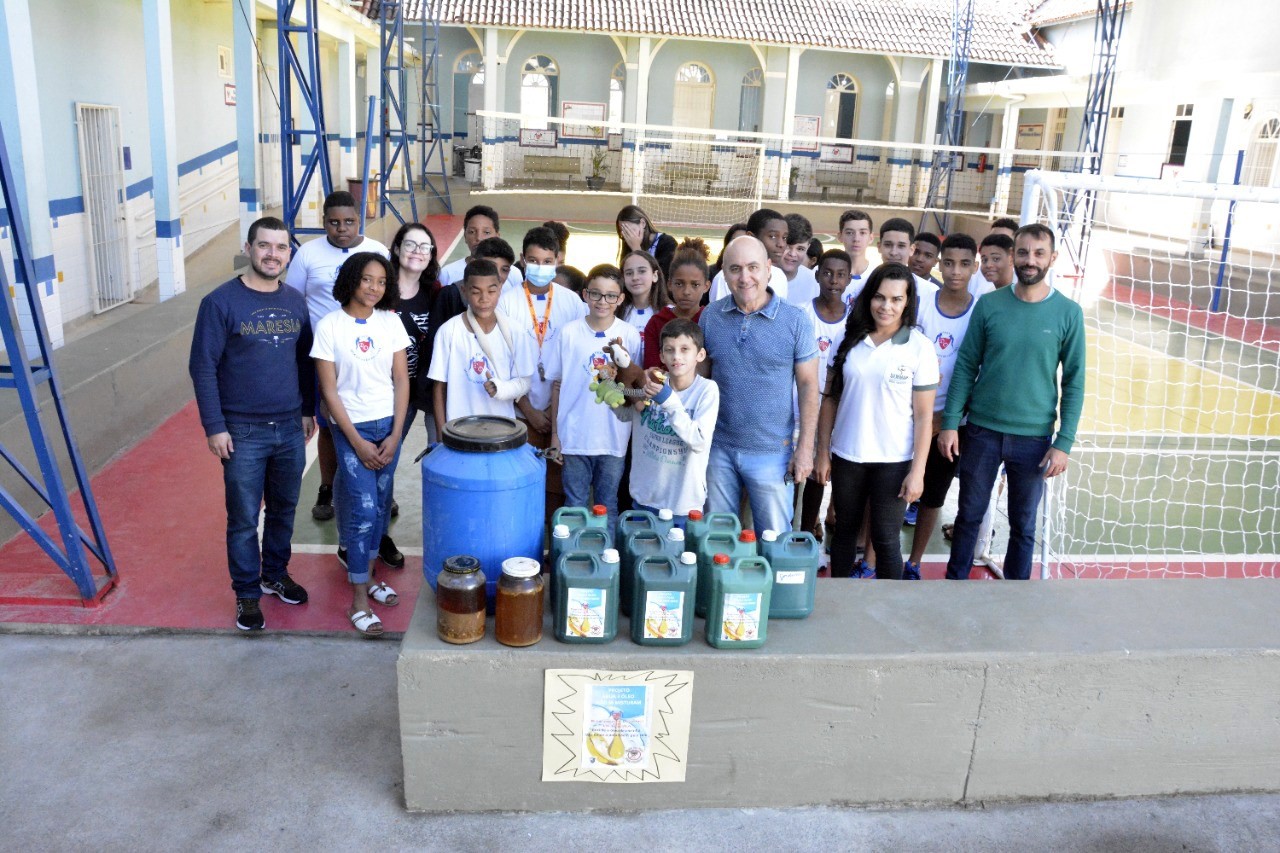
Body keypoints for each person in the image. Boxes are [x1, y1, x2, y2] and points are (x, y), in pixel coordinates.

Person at [939, 224, 1087, 581]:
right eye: (1023, 253)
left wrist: (1063, 442)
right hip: (982, 432)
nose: (1030, 260)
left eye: (1038, 253)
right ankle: (952, 587)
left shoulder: (1068, 313)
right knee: (968, 515)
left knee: (1023, 525)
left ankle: (1017, 597)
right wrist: (949, 423)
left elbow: (1075, 382)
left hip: (1034, 439)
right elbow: (965, 367)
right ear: (1013, 256)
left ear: (1052, 258)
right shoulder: (990, 306)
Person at [189, 216, 315, 632]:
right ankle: (246, 594)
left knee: (284, 509)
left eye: (281, 248)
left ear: (289, 254)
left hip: (289, 428)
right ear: (249, 248)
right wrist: (214, 426)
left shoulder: (296, 302)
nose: (272, 254)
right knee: (244, 518)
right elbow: (202, 367)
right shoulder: (220, 303)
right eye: (264, 246)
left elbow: (304, 361)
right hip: (241, 431)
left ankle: (274, 574)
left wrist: (307, 410)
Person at [814, 263, 938, 579]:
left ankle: (888, 614)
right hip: (848, 456)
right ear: (869, 298)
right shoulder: (848, 338)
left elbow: (924, 418)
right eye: (880, 297)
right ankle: (840, 605)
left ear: (908, 302)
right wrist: (822, 452)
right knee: (843, 532)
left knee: (885, 540)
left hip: (894, 462)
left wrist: (918, 472)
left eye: (896, 299)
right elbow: (830, 399)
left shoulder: (920, 348)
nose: (887, 306)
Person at [311, 253, 410, 637]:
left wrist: (396, 432)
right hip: (351, 432)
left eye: (382, 281)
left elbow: (401, 380)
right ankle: (358, 601)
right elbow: (330, 391)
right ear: (352, 280)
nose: (374, 288)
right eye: (367, 279)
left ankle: (368, 579)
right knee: (361, 512)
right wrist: (355, 441)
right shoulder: (330, 326)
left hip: (388, 428)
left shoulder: (390, 323)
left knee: (381, 511)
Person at [699, 235, 820, 537]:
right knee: (719, 538)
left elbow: (808, 386)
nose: (745, 277)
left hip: (772, 453)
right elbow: (700, 382)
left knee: (775, 541)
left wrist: (804, 448)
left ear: (768, 269)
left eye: (753, 267)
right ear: (724, 274)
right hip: (718, 450)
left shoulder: (795, 321)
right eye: (735, 268)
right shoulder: (711, 317)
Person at [284, 191, 388, 525]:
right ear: (324, 221)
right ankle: (327, 488)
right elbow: (294, 301)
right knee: (330, 425)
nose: (341, 228)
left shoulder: (377, 251)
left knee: (375, 423)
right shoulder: (308, 255)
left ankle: (378, 486)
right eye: (333, 222)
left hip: (368, 355)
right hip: (325, 357)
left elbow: (387, 303)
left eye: (349, 221)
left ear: (360, 219)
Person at [904, 234, 980, 581]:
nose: (955, 271)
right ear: (939, 263)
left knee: (933, 496)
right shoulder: (919, 303)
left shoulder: (980, 311)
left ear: (974, 267)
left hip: (951, 423)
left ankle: (914, 562)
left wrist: (944, 420)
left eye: (964, 264)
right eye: (948, 262)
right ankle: (875, 555)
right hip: (906, 414)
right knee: (890, 491)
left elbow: (977, 370)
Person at [498, 228, 587, 518]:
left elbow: (576, 360)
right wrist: (528, 409)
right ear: (522, 260)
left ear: (558, 260)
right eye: (534, 260)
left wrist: (553, 409)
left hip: (560, 413)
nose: (540, 267)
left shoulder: (572, 302)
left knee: (555, 490)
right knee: (519, 486)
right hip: (521, 412)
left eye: (547, 261)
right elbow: (501, 364)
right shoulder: (506, 302)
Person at [548, 265, 640, 529]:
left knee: (606, 504)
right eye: (596, 294)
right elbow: (557, 384)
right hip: (575, 437)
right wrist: (556, 435)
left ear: (621, 298)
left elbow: (631, 384)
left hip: (613, 439)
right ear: (585, 295)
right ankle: (574, 560)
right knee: (575, 503)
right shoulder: (569, 333)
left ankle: (607, 560)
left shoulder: (629, 335)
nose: (603, 301)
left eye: (611, 296)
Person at [612, 319, 720, 526]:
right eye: (669, 350)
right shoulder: (650, 383)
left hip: (683, 505)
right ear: (661, 355)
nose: (676, 356)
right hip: (645, 499)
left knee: (680, 558)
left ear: (700, 355)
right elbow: (626, 417)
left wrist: (669, 401)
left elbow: (699, 441)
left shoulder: (707, 390)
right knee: (642, 557)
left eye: (684, 349)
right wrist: (614, 395)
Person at [428, 260, 537, 432]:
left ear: (500, 289)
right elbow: (439, 387)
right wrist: (443, 436)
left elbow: (524, 382)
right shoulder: (449, 331)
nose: (484, 299)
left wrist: (501, 389)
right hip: (460, 431)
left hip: (502, 431)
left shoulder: (515, 331)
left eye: (491, 291)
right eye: (476, 291)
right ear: (464, 291)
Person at [796, 249, 852, 539]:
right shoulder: (801, 314)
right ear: (817, 275)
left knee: (822, 471)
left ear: (849, 279)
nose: (833, 280)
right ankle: (796, 527)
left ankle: (810, 526)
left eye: (841, 274)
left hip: (838, 410)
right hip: (801, 408)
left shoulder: (856, 321)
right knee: (798, 470)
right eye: (828, 273)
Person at [389, 222, 441, 443]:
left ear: (430, 255)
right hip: (378, 389)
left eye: (424, 247)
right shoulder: (379, 288)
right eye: (410, 244)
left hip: (410, 392)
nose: (417, 251)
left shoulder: (434, 292)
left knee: (389, 453)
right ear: (397, 249)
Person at [643, 238, 711, 370]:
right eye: (679, 284)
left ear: (706, 286)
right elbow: (652, 370)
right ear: (669, 284)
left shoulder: (711, 320)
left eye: (695, 285)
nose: (686, 292)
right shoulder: (657, 323)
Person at [709, 209, 791, 302]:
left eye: (784, 238)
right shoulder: (724, 279)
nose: (781, 244)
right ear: (751, 236)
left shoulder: (780, 276)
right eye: (772, 236)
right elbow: (718, 314)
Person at [438, 205, 523, 291]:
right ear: (465, 236)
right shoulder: (447, 273)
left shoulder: (514, 274)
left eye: (486, 232)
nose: (479, 238)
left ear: (497, 237)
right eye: (472, 232)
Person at [876, 217, 939, 306]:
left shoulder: (930, 291)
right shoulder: (865, 283)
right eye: (888, 245)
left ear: (911, 249)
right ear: (879, 247)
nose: (894, 252)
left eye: (901, 246)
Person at [620, 250, 667, 364]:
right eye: (629, 273)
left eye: (642, 271)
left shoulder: (668, 312)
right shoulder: (617, 312)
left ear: (655, 276)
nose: (635, 277)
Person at [616, 204, 676, 276]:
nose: (628, 236)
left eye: (631, 231)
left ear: (643, 223)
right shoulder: (628, 244)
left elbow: (661, 278)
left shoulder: (668, 243)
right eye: (624, 233)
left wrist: (636, 249)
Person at [780, 213, 820, 306]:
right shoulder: (761, 277)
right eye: (787, 247)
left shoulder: (814, 282)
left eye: (800, 249)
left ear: (808, 247)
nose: (792, 254)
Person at [836, 209, 874, 304]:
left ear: (871, 238)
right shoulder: (824, 273)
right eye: (849, 233)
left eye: (862, 233)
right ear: (840, 236)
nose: (856, 239)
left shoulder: (877, 275)